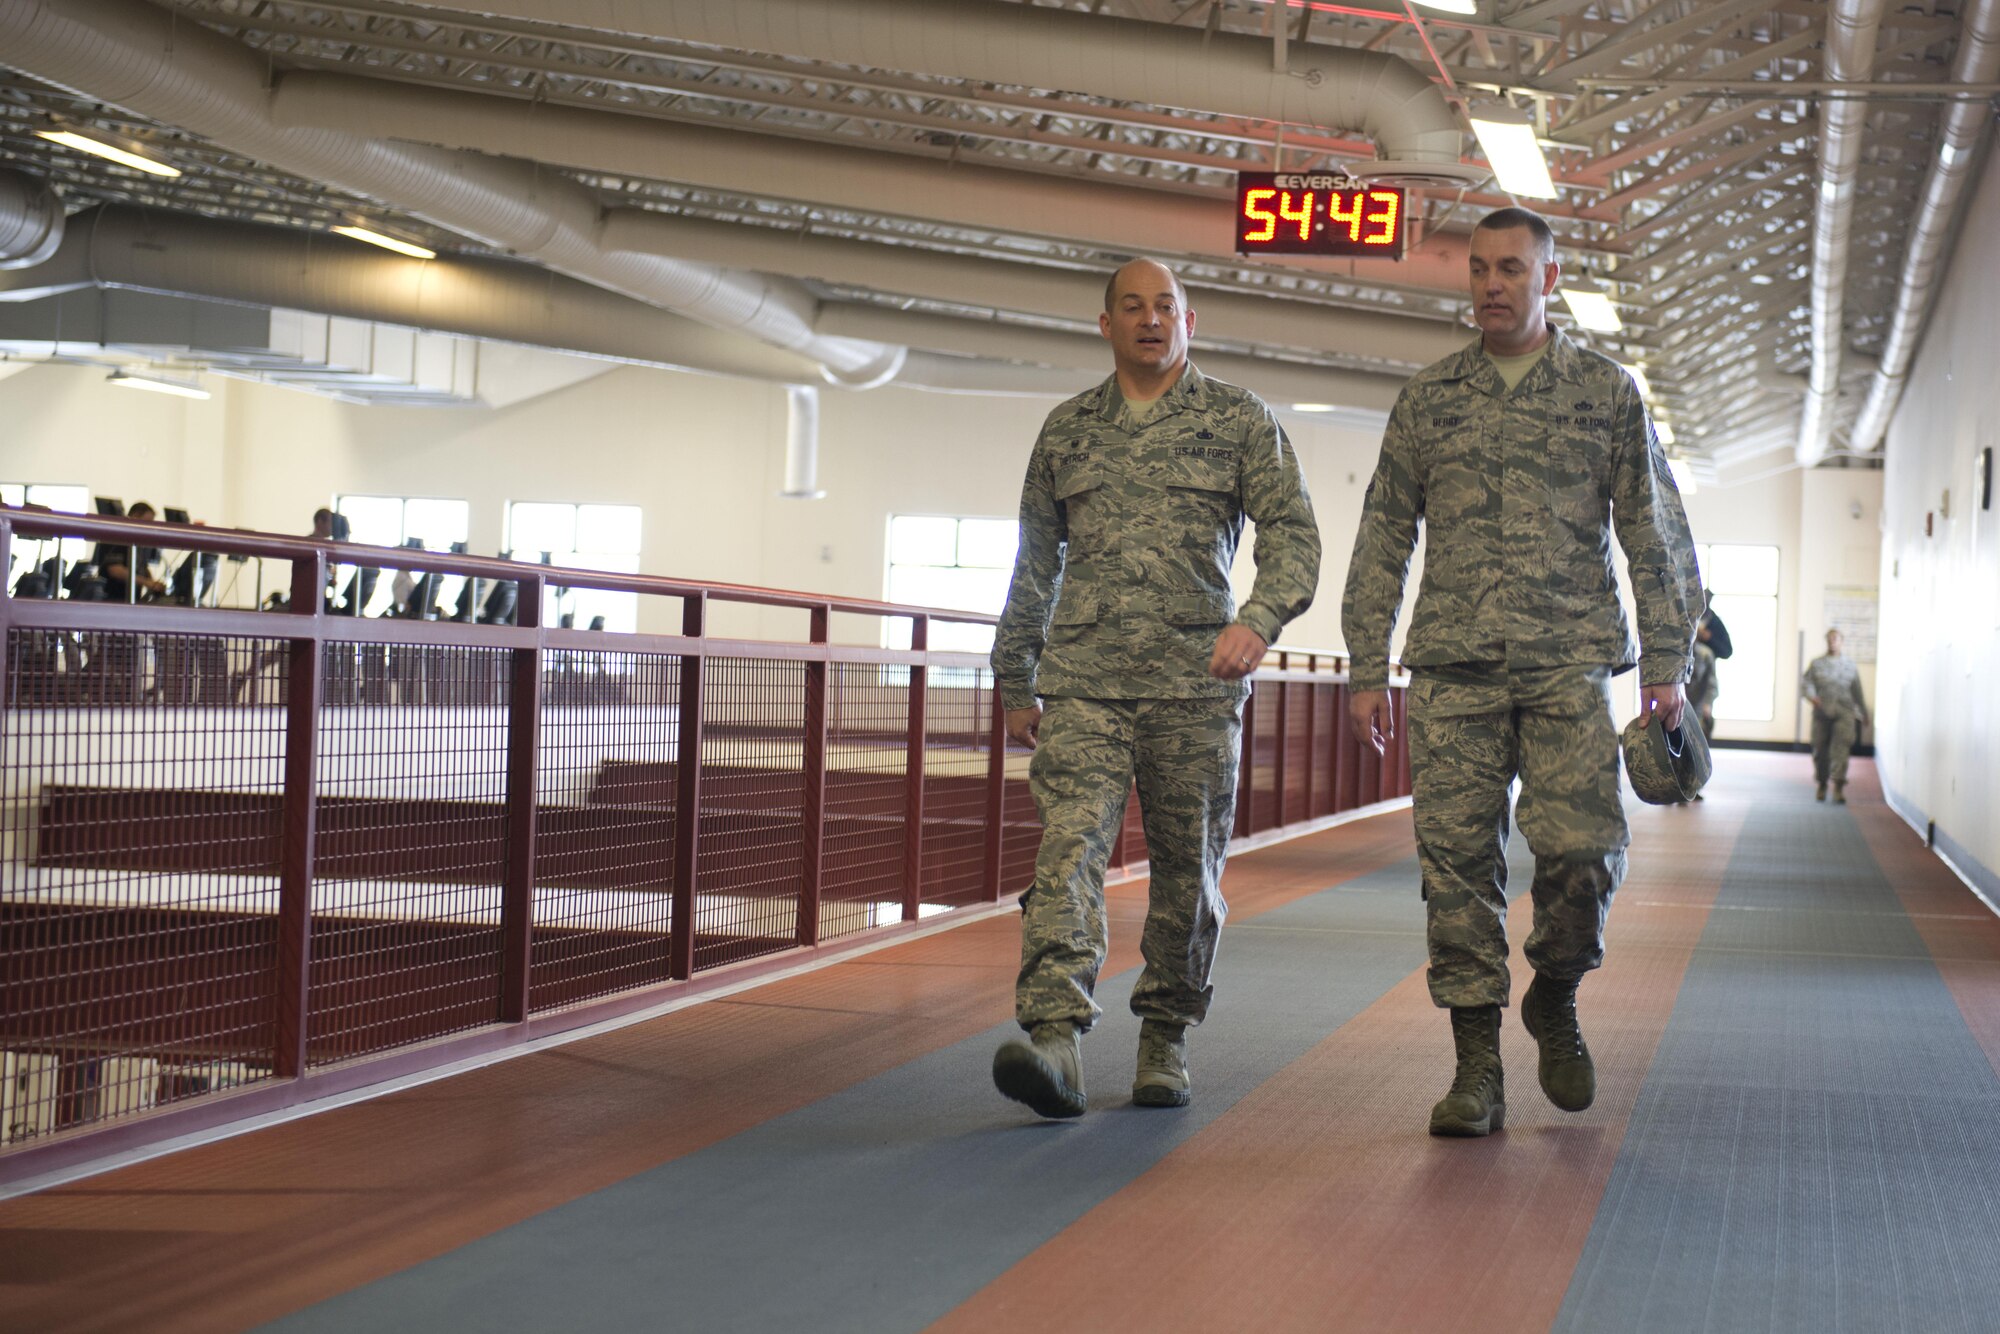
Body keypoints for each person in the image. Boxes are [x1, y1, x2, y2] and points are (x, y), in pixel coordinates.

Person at [1341, 207, 1703, 1138]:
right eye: (1478, 271)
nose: (1492, 286)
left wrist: (1669, 660)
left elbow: (1653, 531)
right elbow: (1384, 531)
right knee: (1456, 872)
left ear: (1548, 278)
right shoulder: (1430, 399)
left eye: (1511, 269)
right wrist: (1365, 662)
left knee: (1585, 853)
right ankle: (1475, 1072)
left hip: (1566, 665)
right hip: (1453, 672)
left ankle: (1556, 992)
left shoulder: (1605, 393)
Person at [987, 258, 1321, 1119]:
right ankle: (1056, 1038)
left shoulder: (1239, 421)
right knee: (1069, 850)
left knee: (1187, 873)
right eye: (1131, 307)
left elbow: (1294, 532)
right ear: (1105, 324)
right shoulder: (1067, 431)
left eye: (1164, 306)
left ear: (1190, 321)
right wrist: (1014, 673)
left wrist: (1260, 619)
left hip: (1196, 686)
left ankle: (1165, 1033)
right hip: (1085, 681)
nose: (1149, 320)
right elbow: (1036, 560)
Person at [1802, 627, 1869, 803]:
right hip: (1822, 712)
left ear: (1841, 642)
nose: (1833, 642)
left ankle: (1838, 786)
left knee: (1841, 750)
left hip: (1844, 711)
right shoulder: (1817, 664)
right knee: (1820, 749)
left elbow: (1857, 691)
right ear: (1826, 641)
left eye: (1836, 639)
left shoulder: (1850, 665)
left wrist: (1864, 712)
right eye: (1830, 639)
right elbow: (1806, 683)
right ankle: (1822, 784)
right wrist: (1812, 697)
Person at [94, 501, 164, 602]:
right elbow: (115, 570)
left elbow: (142, 567)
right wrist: (147, 582)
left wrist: (153, 583)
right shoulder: (115, 537)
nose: (149, 527)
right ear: (135, 516)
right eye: (147, 522)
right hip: (113, 599)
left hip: (131, 599)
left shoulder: (137, 541)